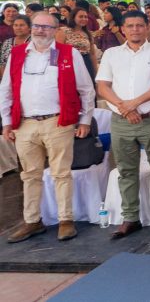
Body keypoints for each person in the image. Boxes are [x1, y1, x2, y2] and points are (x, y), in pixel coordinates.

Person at [1, 13, 95, 243]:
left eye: (46, 27)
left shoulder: (67, 53)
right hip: (25, 124)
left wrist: (84, 120)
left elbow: (86, 89)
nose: (40, 30)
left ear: (55, 30)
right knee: (29, 175)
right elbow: (6, 89)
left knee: (61, 173)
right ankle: (32, 221)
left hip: (58, 121)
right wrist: (6, 122)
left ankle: (66, 220)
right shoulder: (18, 53)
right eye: (37, 26)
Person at [95, 11, 150, 239]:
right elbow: (103, 86)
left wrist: (134, 104)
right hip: (121, 121)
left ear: (147, 27)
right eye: (130, 26)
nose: (135, 30)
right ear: (122, 29)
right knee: (126, 170)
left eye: (140, 25)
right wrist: (124, 107)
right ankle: (130, 218)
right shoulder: (111, 54)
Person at [56, 7, 99, 81]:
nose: (84, 19)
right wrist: (53, 69)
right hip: (69, 64)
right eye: (81, 16)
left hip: (86, 63)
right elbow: (55, 51)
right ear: (73, 17)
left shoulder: (88, 34)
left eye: (86, 17)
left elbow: (92, 54)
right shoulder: (63, 31)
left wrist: (96, 73)